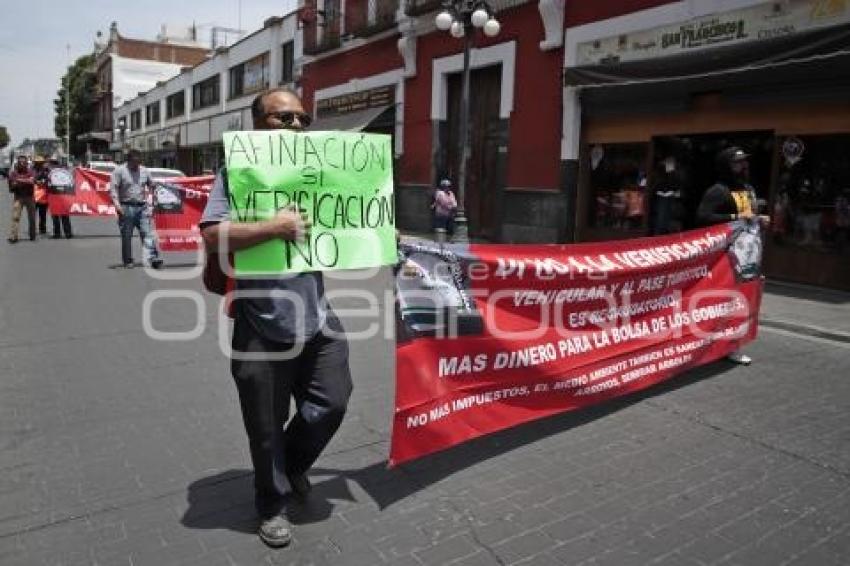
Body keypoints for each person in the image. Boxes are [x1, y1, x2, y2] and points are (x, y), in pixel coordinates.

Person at [200, 87, 352, 549]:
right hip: (262, 323)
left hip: (318, 316)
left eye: (302, 118)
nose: (296, 126)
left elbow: (355, 223)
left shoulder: (318, 171)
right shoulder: (237, 172)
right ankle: (271, 504)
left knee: (334, 401)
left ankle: (290, 464)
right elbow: (211, 235)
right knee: (265, 426)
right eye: (283, 117)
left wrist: (390, 247)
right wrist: (274, 228)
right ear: (258, 123)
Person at [697, 146, 770, 366]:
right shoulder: (717, 190)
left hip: (749, 254)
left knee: (743, 300)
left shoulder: (748, 188)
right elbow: (704, 216)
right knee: (722, 300)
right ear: (726, 165)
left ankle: (732, 346)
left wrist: (760, 218)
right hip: (725, 257)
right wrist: (736, 216)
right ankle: (708, 342)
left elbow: (750, 216)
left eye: (743, 162)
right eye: (736, 163)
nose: (742, 166)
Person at [109, 150, 162, 268]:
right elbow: (113, 189)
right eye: (134, 162)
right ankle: (128, 260)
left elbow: (151, 185)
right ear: (128, 161)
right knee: (127, 236)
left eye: (138, 162)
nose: (136, 165)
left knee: (147, 233)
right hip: (126, 207)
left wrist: (153, 192)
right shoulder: (119, 171)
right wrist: (117, 206)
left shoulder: (144, 171)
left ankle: (152, 258)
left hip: (142, 207)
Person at [7, 155, 36, 243]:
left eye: (24, 162)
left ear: (27, 163)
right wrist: (19, 182)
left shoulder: (31, 172)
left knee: (32, 218)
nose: (22, 164)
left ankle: (32, 235)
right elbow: (11, 185)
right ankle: (13, 236)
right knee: (15, 217)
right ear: (18, 164)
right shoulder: (14, 173)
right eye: (20, 162)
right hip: (18, 197)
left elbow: (32, 181)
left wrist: (18, 180)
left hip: (29, 197)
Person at [32, 156, 50, 235]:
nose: (39, 164)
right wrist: (36, 181)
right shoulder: (31, 171)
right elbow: (30, 179)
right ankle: (32, 229)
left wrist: (44, 182)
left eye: (40, 163)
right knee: (32, 215)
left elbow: (50, 180)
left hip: (43, 196)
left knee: (43, 215)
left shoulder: (47, 171)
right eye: (37, 163)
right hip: (33, 196)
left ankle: (42, 229)